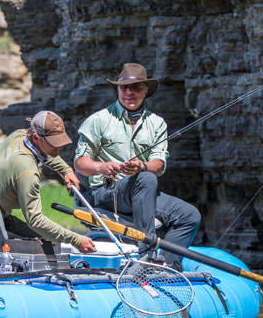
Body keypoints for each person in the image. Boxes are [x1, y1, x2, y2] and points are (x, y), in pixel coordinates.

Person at [73, 62, 200, 267]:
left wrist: (142, 166)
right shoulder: (98, 120)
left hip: (142, 191)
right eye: (124, 88)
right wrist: (102, 168)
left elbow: (158, 165)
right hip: (106, 193)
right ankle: (146, 253)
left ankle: (168, 267)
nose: (129, 93)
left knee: (189, 215)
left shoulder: (157, 123)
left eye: (136, 87)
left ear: (145, 90)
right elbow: (80, 163)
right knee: (146, 179)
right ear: (118, 89)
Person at [0, 111, 97, 254]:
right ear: (36, 137)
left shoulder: (18, 136)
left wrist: (66, 170)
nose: (59, 147)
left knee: (45, 238)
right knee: (46, 247)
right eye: (54, 143)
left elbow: (44, 153)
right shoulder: (27, 171)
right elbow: (35, 220)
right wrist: (76, 240)